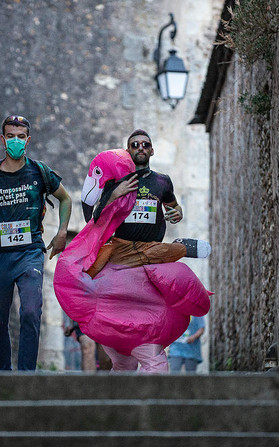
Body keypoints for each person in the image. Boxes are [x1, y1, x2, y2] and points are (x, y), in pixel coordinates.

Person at [81, 129, 210, 373]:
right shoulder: (115, 181)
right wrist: (115, 195)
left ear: (152, 151)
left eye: (145, 144)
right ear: (128, 151)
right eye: (135, 144)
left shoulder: (162, 181)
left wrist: (177, 212)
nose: (140, 147)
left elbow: (174, 207)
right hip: (120, 254)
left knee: (157, 297)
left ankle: (180, 249)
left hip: (151, 254)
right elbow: (96, 218)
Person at [0, 115, 72, 371]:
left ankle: (26, 375)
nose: (15, 140)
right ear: (3, 139)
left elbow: (65, 199)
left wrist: (61, 232)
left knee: (31, 312)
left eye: (20, 136)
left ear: (28, 140)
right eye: (10, 136)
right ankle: (4, 376)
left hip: (30, 252)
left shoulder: (39, 171)